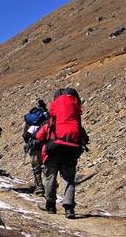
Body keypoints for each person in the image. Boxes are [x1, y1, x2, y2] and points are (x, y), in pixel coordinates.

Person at [35, 88, 89, 219]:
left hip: (53, 151)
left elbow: (39, 136)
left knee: (50, 178)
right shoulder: (76, 122)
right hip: (71, 153)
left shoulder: (52, 121)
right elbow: (85, 139)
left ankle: (51, 205)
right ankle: (69, 208)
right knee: (69, 179)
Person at [22, 99, 49, 196]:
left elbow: (25, 135)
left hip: (34, 145)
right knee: (47, 166)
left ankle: (39, 188)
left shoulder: (30, 120)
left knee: (36, 168)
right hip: (47, 145)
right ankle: (51, 185)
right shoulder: (48, 117)